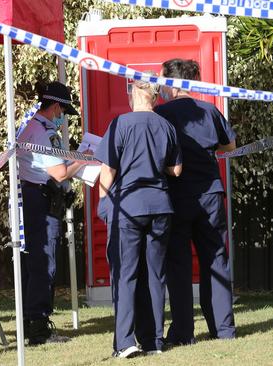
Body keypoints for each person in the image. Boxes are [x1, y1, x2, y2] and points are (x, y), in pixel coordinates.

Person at [95, 78, 182, 358]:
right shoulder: (166, 126)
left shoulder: (120, 124)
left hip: (129, 207)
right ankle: (154, 340)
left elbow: (107, 170)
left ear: (133, 94)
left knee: (125, 274)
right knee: (155, 275)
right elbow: (177, 170)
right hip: (161, 205)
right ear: (155, 97)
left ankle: (125, 342)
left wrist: (102, 203)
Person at [154, 58, 237, 345]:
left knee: (179, 265)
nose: (159, 85)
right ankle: (223, 329)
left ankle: (182, 333)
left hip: (177, 196)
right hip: (211, 194)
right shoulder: (210, 110)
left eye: (162, 79)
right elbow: (230, 146)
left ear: (173, 82)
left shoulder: (161, 113)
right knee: (216, 260)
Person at [17, 81, 86, 345]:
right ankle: (38, 327)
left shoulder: (29, 125)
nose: (62, 118)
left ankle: (30, 322)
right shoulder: (43, 132)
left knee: (33, 262)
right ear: (55, 106)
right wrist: (82, 158)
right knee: (44, 262)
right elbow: (58, 173)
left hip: (32, 195)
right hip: (41, 199)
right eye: (62, 112)